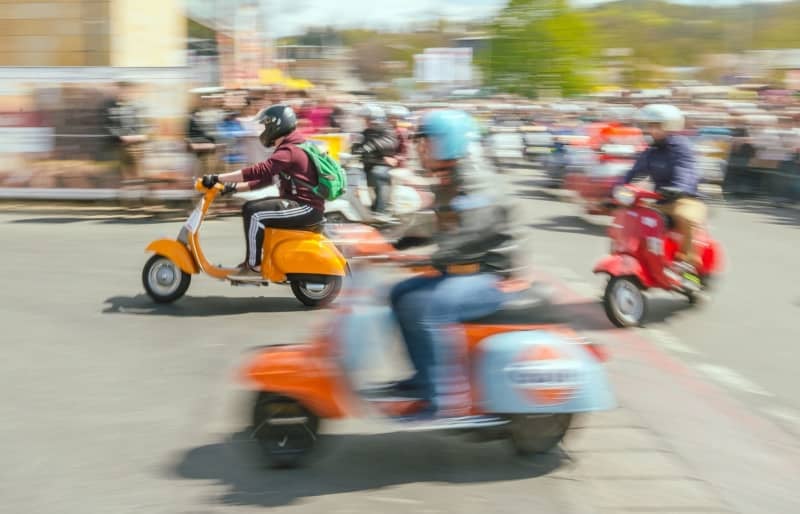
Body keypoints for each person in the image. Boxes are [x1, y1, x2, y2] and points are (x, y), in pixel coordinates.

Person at [388, 109, 517, 421]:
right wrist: (391, 240)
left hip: (490, 275)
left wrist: (423, 257)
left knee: (431, 308)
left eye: (426, 141)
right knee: (401, 295)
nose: (420, 149)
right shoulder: (450, 179)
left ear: (449, 142)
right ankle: (424, 377)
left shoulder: (476, 180)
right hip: (462, 270)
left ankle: (447, 402)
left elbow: (471, 235)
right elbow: (435, 226)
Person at [200, 104, 324, 281]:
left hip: (306, 207)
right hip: (300, 204)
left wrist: (218, 177)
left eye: (266, 126)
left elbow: (260, 171)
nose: (264, 130)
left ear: (277, 125)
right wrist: (231, 188)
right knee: (250, 208)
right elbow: (265, 180)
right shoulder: (290, 146)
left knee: (255, 213)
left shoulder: (290, 150)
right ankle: (254, 262)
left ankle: (254, 267)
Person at [622, 104, 705, 279]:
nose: (650, 130)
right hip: (661, 201)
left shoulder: (682, 147)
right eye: (649, 125)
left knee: (686, 216)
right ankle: (638, 257)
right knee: (633, 216)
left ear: (670, 126)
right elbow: (632, 173)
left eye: (656, 125)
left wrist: (679, 188)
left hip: (685, 199)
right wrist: (614, 191)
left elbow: (686, 170)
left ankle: (688, 262)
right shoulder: (650, 151)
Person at [351, 105, 397, 213]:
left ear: (374, 118)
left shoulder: (386, 129)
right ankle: (371, 209)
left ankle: (382, 211)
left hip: (382, 163)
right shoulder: (366, 132)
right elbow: (358, 146)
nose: (365, 121)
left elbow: (389, 142)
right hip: (369, 164)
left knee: (379, 175)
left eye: (366, 119)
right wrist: (355, 147)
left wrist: (371, 146)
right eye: (364, 119)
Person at [102, 81, 147, 183]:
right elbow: (111, 125)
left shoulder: (132, 106)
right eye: (124, 91)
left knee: (136, 170)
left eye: (128, 91)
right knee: (127, 171)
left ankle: (135, 187)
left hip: (132, 143)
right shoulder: (113, 106)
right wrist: (121, 137)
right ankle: (129, 189)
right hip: (122, 145)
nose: (126, 93)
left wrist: (138, 137)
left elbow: (137, 124)